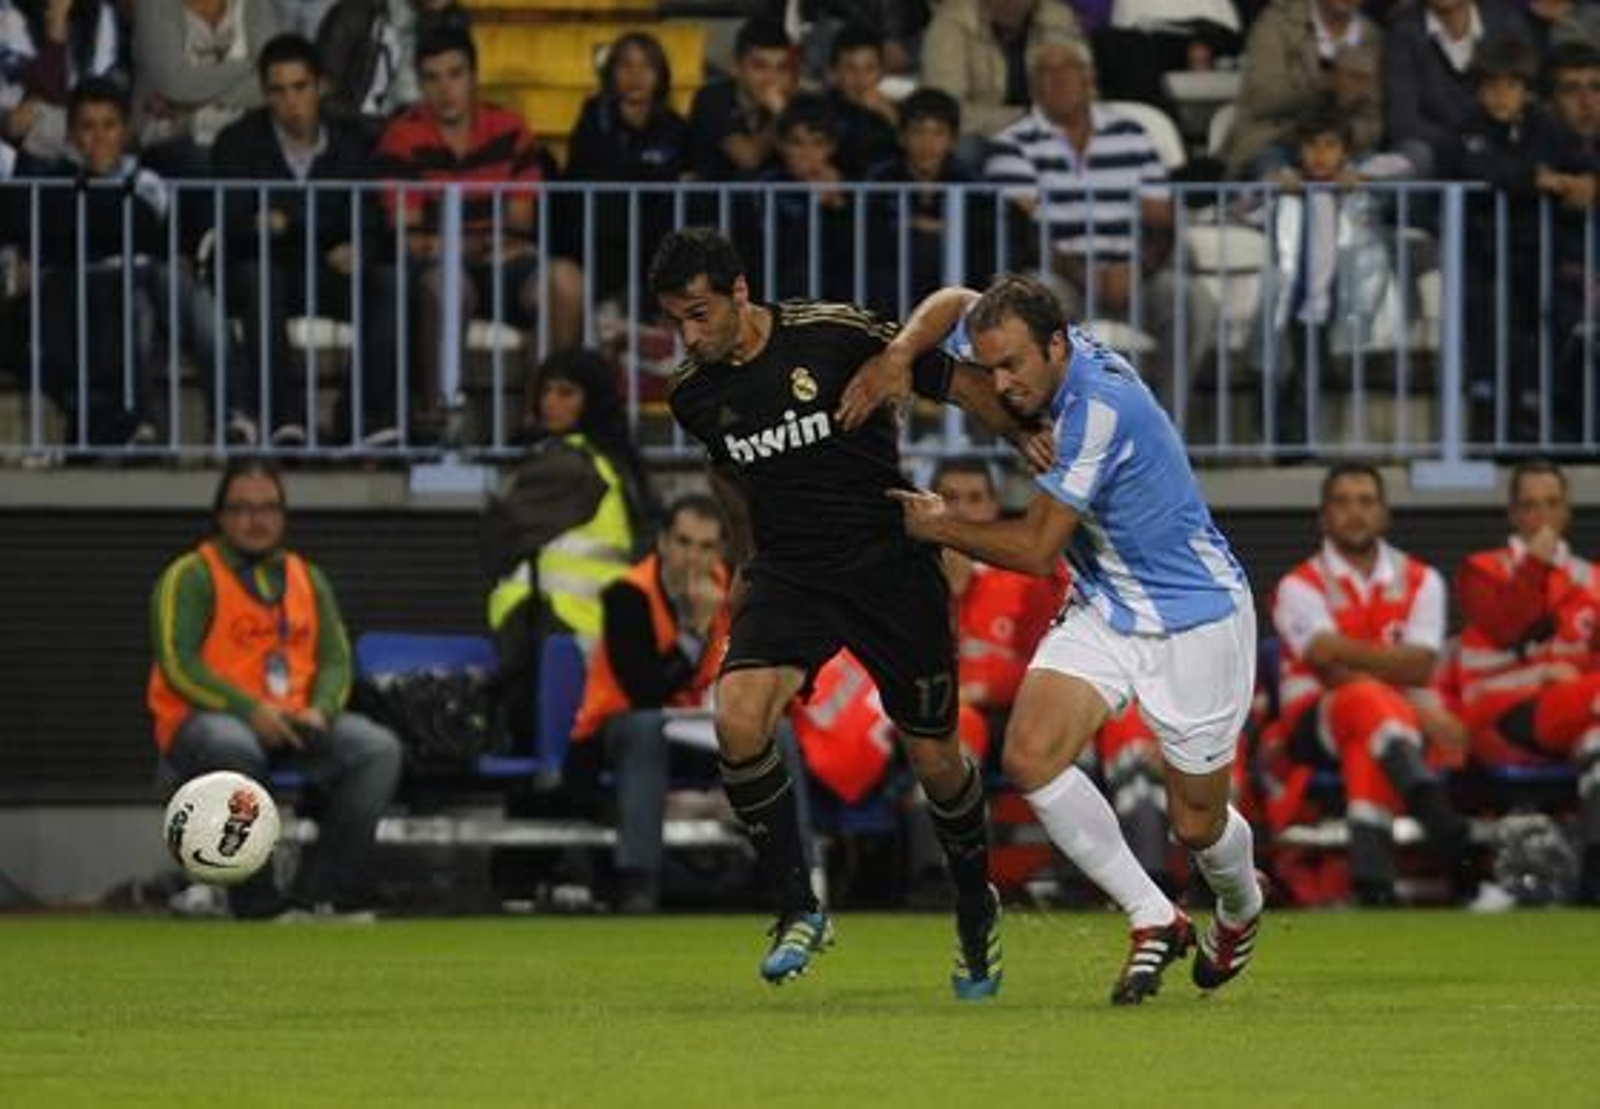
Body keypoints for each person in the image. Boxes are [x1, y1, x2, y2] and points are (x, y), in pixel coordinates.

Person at [648, 227, 1051, 996]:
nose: (687, 335)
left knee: (935, 757)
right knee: (737, 719)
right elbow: (732, 481)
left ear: (740, 294)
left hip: (887, 563)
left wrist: (1026, 435)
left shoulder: (832, 333)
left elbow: (957, 380)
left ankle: (974, 901)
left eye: (699, 314)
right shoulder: (692, 394)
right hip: (792, 571)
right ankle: (799, 906)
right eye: (675, 320)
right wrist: (741, 563)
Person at [858, 273, 1265, 1004]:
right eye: (991, 365)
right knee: (1030, 754)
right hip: (1107, 600)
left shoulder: (1100, 408)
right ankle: (1153, 915)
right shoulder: (1035, 345)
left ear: (1057, 345)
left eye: (1013, 365)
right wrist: (900, 354)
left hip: (1196, 614)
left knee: (1194, 820)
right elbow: (954, 301)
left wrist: (937, 523)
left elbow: (1038, 549)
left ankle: (1240, 906)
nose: (1002, 383)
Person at [146, 457, 403, 919]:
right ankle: (256, 903)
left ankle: (320, 895)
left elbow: (336, 660)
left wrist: (321, 711)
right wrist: (251, 711)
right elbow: (176, 663)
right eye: (241, 508)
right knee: (235, 746)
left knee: (376, 749)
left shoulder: (308, 577)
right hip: (206, 725)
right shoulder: (191, 575)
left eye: (267, 508)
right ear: (221, 515)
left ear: (282, 514)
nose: (255, 519)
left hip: (294, 724)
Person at [569, 495, 815, 913]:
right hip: (618, 731)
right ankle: (638, 881)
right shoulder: (627, 595)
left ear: (719, 550)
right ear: (663, 543)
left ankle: (793, 876)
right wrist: (693, 632)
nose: (692, 557)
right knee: (647, 727)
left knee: (778, 731)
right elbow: (645, 690)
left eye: (705, 546)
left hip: (703, 731)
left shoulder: (737, 592)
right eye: (683, 542)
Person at [1269, 463, 1473, 905]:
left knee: (1368, 729)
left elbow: (1422, 665)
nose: (1354, 513)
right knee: (1363, 698)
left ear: (1384, 514)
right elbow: (1323, 660)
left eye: (1366, 501)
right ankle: (1429, 802)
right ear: (1324, 517)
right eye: (1342, 502)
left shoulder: (1423, 579)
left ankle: (1373, 882)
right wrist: (1398, 683)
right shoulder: (1296, 584)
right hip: (1312, 724)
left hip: (1381, 726)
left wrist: (1348, 655)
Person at [984, 37, 1216, 407]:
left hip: (1135, 275)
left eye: (1067, 69)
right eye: (1046, 71)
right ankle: (1054, 435)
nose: (1058, 79)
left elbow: (1161, 220)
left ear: (1088, 77)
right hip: (1062, 278)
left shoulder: (1131, 135)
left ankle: (1163, 430)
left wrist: (1136, 269)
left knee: (1193, 302)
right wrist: (1087, 274)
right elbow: (1030, 233)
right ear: (1032, 85)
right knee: (1034, 303)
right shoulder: (1012, 145)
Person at [376, 25, 583, 437]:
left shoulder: (509, 128)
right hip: (439, 268)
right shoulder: (401, 137)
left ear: (473, 76)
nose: (445, 89)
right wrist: (477, 243)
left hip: (502, 264)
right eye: (432, 78)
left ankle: (541, 422)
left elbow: (520, 227)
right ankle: (440, 420)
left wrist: (462, 241)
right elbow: (411, 239)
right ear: (419, 84)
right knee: (448, 284)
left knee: (565, 281)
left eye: (455, 74)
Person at [33, 77, 250, 447]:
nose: (99, 137)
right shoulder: (59, 186)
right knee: (135, 305)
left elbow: (162, 238)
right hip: (101, 288)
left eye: (109, 125)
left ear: (125, 131)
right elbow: (74, 246)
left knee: (199, 304)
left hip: (155, 273)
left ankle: (231, 417)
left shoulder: (153, 178)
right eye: (87, 127)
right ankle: (140, 422)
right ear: (71, 136)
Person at [209, 32, 401, 448]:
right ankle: (284, 420)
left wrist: (359, 247)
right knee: (260, 276)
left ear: (322, 86)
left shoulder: (354, 144)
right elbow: (237, 222)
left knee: (389, 283)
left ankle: (362, 420)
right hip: (267, 272)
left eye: (300, 87)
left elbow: (371, 220)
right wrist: (319, 222)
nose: (290, 102)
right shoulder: (237, 143)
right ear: (264, 94)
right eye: (277, 91)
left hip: (329, 270)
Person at [483, 348, 652, 745]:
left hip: (554, 632)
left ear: (590, 400)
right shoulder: (612, 462)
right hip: (600, 634)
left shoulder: (565, 465)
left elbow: (497, 537)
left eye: (566, 393)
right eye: (546, 392)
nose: (550, 403)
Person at [1455, 460, 1600, 903]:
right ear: (1514, 514)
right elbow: (1509, 626)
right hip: (1500, 717)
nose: (1542, 516)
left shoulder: (1592, 580)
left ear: (1567, 511)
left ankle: (1593, 876)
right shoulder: (1481, 571)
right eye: (1530, 506)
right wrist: (1536, 560)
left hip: (1573, 715)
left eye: (1552, 504)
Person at [563, 30, 690, 306]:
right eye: (626, 65)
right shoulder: (595, 118)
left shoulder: (675, 127)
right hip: (601, 238)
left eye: (646, 66)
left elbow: (683, 179)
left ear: (660, 75)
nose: (636, 75)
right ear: (612, 73)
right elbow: (590, 174)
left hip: (656, 236)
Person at [1222, 0, 1384, 180]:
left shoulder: (1372, 37)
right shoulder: (1277, 23)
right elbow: (1263, 97)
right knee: (1275, 175)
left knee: (1377, 176)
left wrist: (1341, 139)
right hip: (1274, 141)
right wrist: (1326, 84)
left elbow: (1373, 120)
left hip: (1344, 149)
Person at [1383, 0, 1534, 178]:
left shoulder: (1505, 21)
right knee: (1413, 156)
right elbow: (1403, 120)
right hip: (1435, 148)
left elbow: (1527, 93)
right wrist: (1463, 142)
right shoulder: (1405, 29)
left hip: (1497, 143)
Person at [131, 0, 281, 175]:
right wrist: (248, 64)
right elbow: (177, 85)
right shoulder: (155, 6)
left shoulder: (255, 5)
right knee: (218, 166)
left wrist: (187, 104)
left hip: (245, 135)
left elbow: (273, 79)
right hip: (171, 137)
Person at [921, 0, 1086, 141]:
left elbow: (1084, 91)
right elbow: (943, 109)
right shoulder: (951, 21)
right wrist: (1026, 117)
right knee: (966, 149)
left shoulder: (1057, 17)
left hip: (1050, 131)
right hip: (984, 136)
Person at [315, 0, 470, 141]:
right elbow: (320, 97)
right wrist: (378, 127)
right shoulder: (354, 15)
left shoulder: (451, 21)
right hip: (362, 141)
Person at [0, 0, 125, 164]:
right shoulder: (7, 11)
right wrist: (57, 24)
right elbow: (45, 88)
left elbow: (102, 92)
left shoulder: (100, 12)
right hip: (17, 148)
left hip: (80, 144)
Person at [685, 15, 796, 182]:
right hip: (715, 205)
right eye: (760, 66)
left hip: (770, 205)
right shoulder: (711, 98)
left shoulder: (795, 103)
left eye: (781, 68)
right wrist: (782, 116)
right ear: (735, 67)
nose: (772, 79)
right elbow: (748, 158)